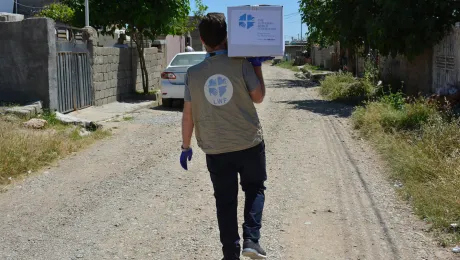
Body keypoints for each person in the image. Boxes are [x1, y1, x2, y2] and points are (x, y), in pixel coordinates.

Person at [180, 12, 272, 260]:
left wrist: (185, 145)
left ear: (201, 39)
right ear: (227, 37)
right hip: (249, 143)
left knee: (225, 201)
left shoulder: (193, 73)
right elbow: (259, 97)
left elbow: (188, 115)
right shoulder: (242, 64)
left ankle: (230, 254)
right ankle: (252, 240)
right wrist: (257, 65)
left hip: (216, 148)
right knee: (254, 189)